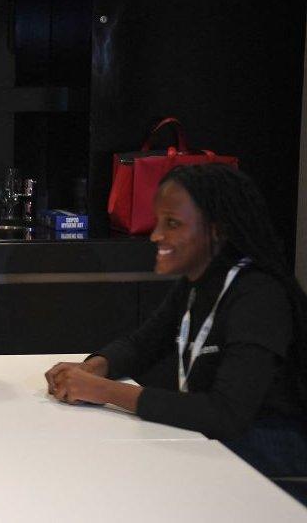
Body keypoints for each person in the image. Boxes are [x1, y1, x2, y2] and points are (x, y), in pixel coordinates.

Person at [44, 164, 307, 491]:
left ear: (217, 230)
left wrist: (102, 390)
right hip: (213, 443)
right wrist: (94, 368)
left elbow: (226, 414)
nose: (156, 235)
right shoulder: (198, 281)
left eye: (172, 224)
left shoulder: (259, 295)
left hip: (267, 464)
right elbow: (143, 344)